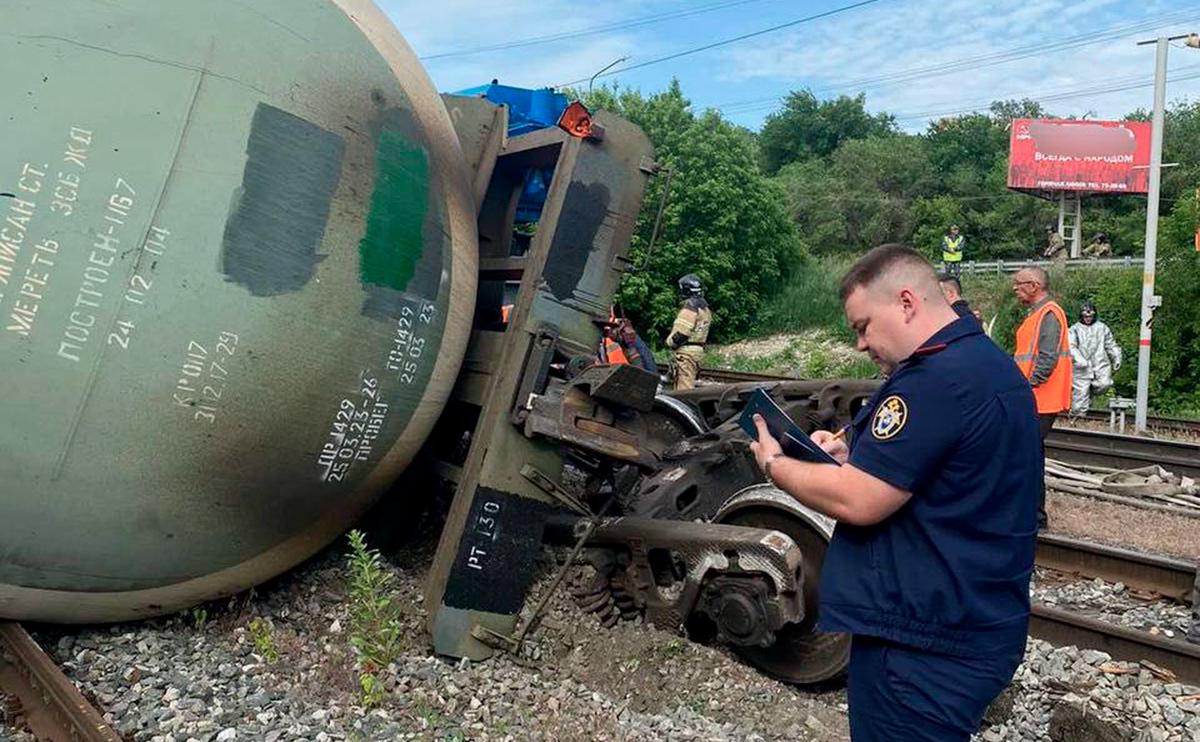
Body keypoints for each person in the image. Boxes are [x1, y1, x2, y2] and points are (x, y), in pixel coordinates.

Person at [748, 244, 1040, 741]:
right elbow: (934, 466)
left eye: (863, 326)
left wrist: (776, 465)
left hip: (921, 643)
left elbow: (859, 500)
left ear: (906, 302)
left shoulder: (934, 381)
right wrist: (847, 458)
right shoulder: (983, 364)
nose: (861, 344)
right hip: (971, 620)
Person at [1011, 267, 1071, 530]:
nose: (1015, 289)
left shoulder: (1048, 314)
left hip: (1039, 398)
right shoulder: (1040, 314)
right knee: (1029, 455)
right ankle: (1033, 516)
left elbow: (1047, 359)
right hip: (1035, 397)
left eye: (1019, 284)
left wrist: (1024, 386)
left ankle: (1034, 517)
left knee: (1026, 457)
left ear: (1034, 286)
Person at [1068, 301, 1121, 417]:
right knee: (1080, 394)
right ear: (1081, 316)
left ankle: (1089, 392)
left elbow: (1110, 344)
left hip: (1100, 363)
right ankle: (1077, 418)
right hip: (1081, 366)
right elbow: (1071, 346)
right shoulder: (1074, 329)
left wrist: (1116, 357)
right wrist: (1079, 359)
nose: (1088, 318)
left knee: (1105, 384)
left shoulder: (1102, 328)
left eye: (1090, 316)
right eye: (1085, 316)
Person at [665, 274, 712, 391]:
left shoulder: (689, 309)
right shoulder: (705, 309)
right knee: (690, 382)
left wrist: (670, 343)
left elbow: (682, 333)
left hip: (686, 354)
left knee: (683, 389)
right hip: (698, 351)